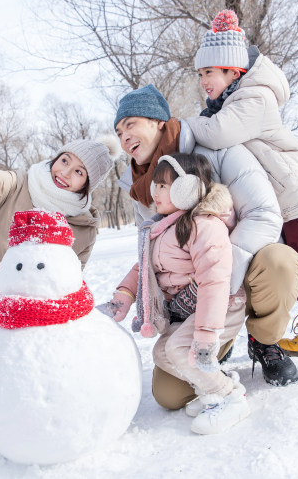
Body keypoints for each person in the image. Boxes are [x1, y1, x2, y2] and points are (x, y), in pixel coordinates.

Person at [183, 10, 298, 380]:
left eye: (210, 72)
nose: (203, 81)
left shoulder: (254, 97)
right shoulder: (228, 102)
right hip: (275, 201)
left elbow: (217, 134)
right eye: (200, 73)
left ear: (233, 71)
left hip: (294, 196)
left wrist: (181, 126)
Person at [0, 94, 120, 440]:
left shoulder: (82, 225)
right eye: (65, 160)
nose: (65, 172)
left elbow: (69, 278)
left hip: (34, 304)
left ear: (87, 184)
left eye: (78, 171)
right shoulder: (18, 184)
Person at [113, 83, 298, 412]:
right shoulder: (143, 191)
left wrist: (214, 277)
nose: (123, 136)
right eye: (117, 132)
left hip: (236, 279)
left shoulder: (217, 149)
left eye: (130, 124)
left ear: (158, 121)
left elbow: (263, 214)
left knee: (280, 261)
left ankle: (264, 340)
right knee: (170, 395)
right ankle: (217, 350)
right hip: (193, 301)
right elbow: (151, 257)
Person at [102, 153, 249, 434]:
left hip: (221, 308)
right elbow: (142, 266)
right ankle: (211, 390)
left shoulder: (205, 224)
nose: (154, 191)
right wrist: (123, 294)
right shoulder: (162, 227)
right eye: (155, 184)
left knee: (180, 349)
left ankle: (231, 397)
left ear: (187, 188)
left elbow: (214, 281)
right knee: (162, 353)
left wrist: (206, 334)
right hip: (191, 311)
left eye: (163, 185)